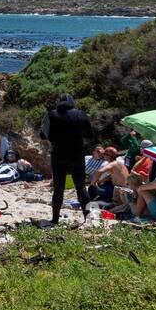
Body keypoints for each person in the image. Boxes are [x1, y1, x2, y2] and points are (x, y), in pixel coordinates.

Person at [40, 93, 95, 224]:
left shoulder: (50, 114)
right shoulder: (81, 114)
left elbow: (43, 135)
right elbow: (90, 135)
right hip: (76, 155)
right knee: (81, 187)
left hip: (58, 155)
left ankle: (54, 220)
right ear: (72, 102)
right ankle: (87, 218)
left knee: (58, 189)